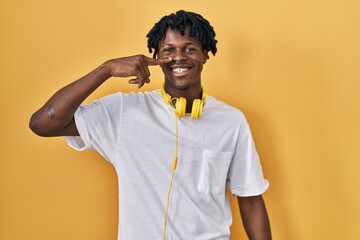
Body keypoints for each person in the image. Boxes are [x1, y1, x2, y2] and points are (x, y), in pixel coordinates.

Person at [30, 10, 271, 240]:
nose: (179, 57)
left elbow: (250, 198)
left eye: (189, 48)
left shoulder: (231, 121)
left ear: (205, 54)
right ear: (157, 57)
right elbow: (44, 123)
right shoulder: (124, 112)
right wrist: (106, 69)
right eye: (169, 50)